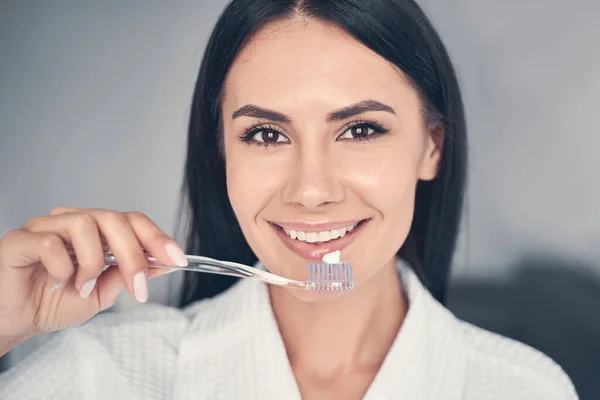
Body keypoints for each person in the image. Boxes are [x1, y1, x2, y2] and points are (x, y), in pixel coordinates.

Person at [0, 0, 578, 399]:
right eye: (267, 135)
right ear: (222, 152)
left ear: (432, 147)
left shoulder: (523, 388)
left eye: (360, 130)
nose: (311, 190)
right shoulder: (101, 374)